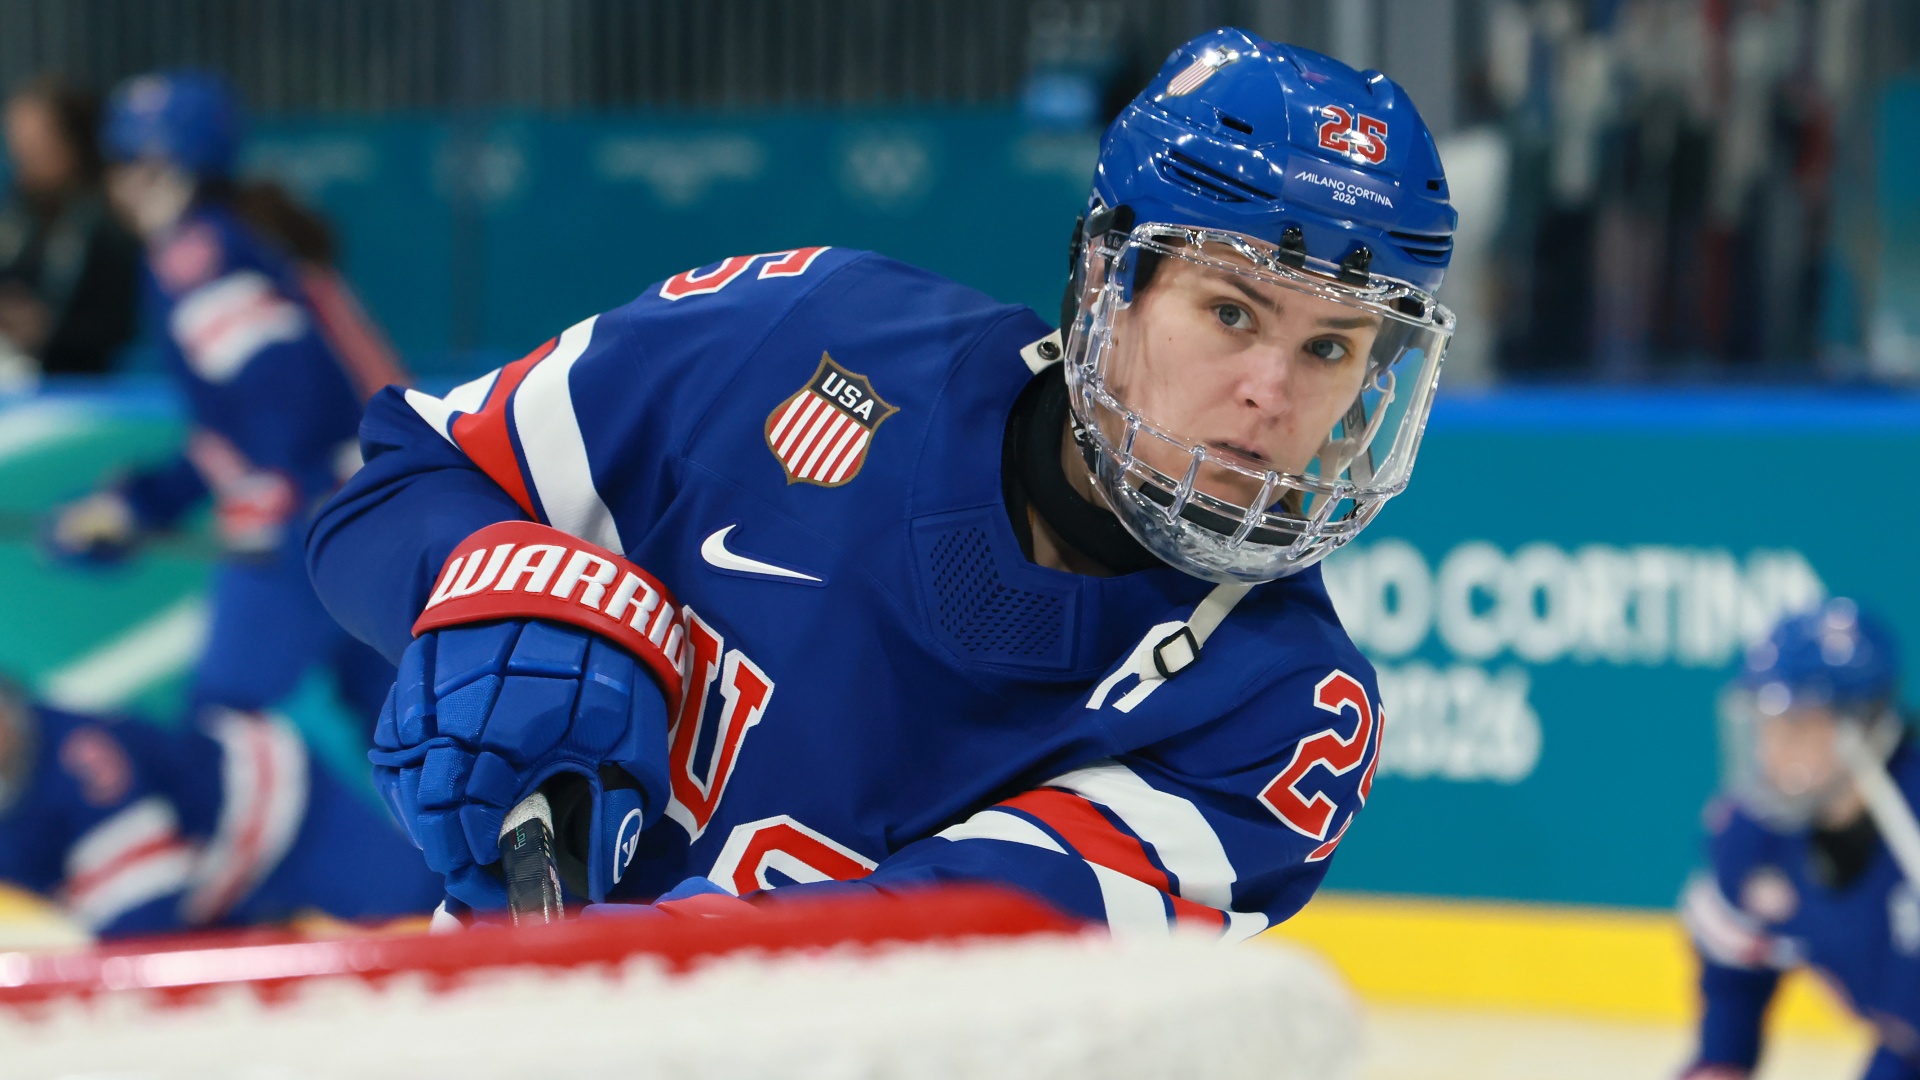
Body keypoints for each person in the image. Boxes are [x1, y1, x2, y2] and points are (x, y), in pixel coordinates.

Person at [307, 28, 1458, 931]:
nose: (1273, 391)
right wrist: (485, 581)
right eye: (1229, 310)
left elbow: (906, 974)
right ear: (1112, 281)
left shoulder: (1282, 715)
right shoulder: (801, 330)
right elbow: (407, 476)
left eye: (1330, 347)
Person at [46, 71, 404, 729]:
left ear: (169, 168)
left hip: (316, 521)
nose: (114, 179)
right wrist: (134, 503)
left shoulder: (194, 256)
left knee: (219, 750)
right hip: (361, 511)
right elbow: (236, 436)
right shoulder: (231, 240)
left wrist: (287, 509)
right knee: (412, 742)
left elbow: (288, 405)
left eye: (126, 159)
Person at [0, 677, 442, 938]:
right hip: (207, 891)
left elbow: (144, 920)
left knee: (428, 926)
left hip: (288, 816)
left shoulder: (82, 765)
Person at [1680, 599, 1920, 1080]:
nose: (1771, 751)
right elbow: (1734, 966)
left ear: (1863, 727)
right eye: (1765, 726)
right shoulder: (1753, 832)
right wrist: (1721, 1059)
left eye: (1795, 726)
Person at [0, 75, 142, 383]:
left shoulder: (114, 219)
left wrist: (46, 328)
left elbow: (124, 324)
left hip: (89, 389)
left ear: (74, 142)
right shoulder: (23, 212)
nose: (23, 159)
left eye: (37, 146)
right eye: (17, 145)